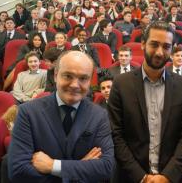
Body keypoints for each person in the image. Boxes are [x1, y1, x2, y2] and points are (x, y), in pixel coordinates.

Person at [108, 21, 182, 183]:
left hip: (172, 178)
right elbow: (116, 135)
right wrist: (141, 177)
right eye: (154, 44)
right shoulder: (121, 84)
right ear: (142, 44)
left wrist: (168, 175)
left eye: (166, 46)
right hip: (130, 177)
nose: (159, 52)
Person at [8, 51, 115, 182]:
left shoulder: (99, 115)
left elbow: (106, 168)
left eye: (83, 78)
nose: (75, 85)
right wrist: (80, 168)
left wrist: (53, 166)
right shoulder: (28, 113)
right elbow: (18, 171)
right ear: (55, 75)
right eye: (68, 76)